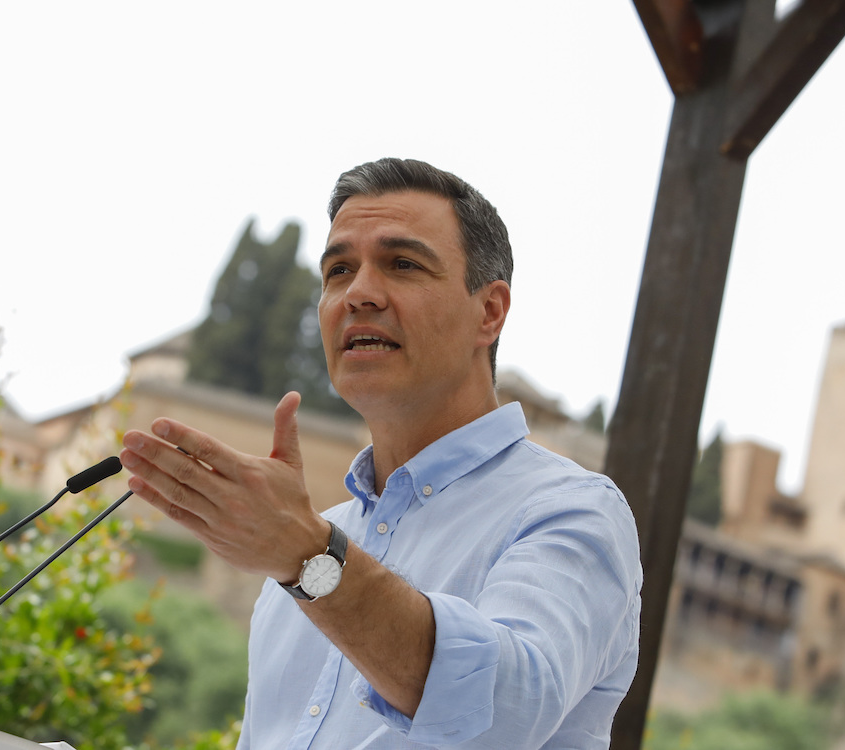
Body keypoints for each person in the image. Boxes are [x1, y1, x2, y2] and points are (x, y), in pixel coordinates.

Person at [119, 158, 641, 748]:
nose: (359, 293)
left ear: (489, 312)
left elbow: (502, 711)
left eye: (403, 264)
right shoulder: (307, 548)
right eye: (338, 270)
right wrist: (306, 554)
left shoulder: (573, 512)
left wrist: (310, 558)